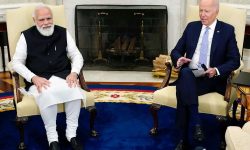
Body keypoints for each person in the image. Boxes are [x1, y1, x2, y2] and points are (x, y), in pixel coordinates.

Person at [12, 5, 85, 150]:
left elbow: (76, 55)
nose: (46, 22)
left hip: (63, 76)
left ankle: (71, 135)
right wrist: (33, 77)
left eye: (49, 18)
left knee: (74, 91)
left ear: (53, 18)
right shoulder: (25, 36)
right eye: (42, 19)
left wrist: (74, 72)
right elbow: (16, 62)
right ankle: (53, 139)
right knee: (46, 93)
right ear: (35, 20)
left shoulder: (63, 32)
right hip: (40, 79)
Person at [170, 0, 240, 149]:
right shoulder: (192, 27)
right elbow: (175, 51)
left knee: (183, 87)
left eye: (206, 11)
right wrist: (179, 59)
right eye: (200, 10)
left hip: (211, 79)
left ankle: (183, 140)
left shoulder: (227, 30)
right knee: (187, 74)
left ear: (216, 12)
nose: (202, 14)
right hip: (191, 75)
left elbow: (235, 60)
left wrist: (216, 70)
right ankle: (197, 124)